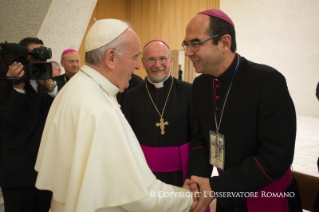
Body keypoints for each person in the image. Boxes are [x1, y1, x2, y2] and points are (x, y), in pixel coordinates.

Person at [35, 19, 195, 212]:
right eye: (135, 56)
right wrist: (187, 198)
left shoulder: (74, 89)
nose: (138, 66)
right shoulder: (100, 109)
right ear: (111, 58)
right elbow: (141, 198)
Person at [183, 9, 302, 212]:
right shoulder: (201, 85)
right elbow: (201, 139)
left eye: (196, 43)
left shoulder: (267, 82)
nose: (187, 52)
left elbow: (276, 157)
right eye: (187, 44)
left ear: (225, 43)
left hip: (267, 195)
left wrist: (216, 187)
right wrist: (197, 182)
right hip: (228, 197)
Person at [121, 40, 193, 188]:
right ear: (142, 61)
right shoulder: (130, 96)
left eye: (162, 58)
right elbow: (126, 139)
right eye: (151, 59)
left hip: (181, 175)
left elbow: (198, 137)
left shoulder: (189, 92)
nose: (157, 65)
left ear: (170, 60)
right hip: (144, 175)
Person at [0, 37, 59, 211]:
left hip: (45, 173)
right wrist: (17, 88)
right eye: (35, 56)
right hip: (18, 175)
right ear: (23, 59)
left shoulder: (48, 85)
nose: (40, 62)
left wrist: (51, 89)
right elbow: (8, 125)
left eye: (43, 58)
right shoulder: (5, 87)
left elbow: (59, 119)